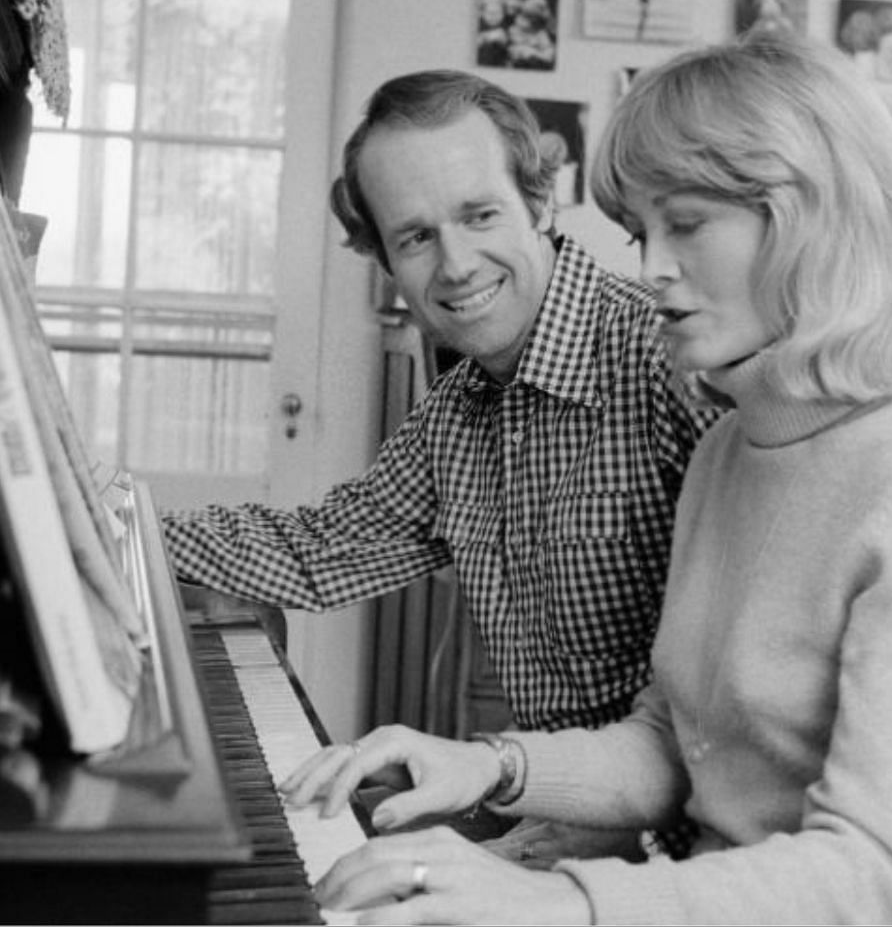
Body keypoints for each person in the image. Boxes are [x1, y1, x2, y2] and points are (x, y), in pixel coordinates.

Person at [281, 31, 892, 924]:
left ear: (809, 214)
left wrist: (555, 901)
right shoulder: (732, 451)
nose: (651, 268)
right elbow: (675, 747)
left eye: (687, 224)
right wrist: (489, 763)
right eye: (643, 231)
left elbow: (866, 874)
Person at [164, 69, 721, 860]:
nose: (455, 265)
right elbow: (317, 552)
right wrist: (94, 515)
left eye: (479, 215)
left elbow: (757, 729)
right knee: (306, 847)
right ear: (385, 259)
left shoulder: (666, 360)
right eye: (415, 237)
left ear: (539, 202)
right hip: (540, 799)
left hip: (673, 842)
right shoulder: (456, 414)